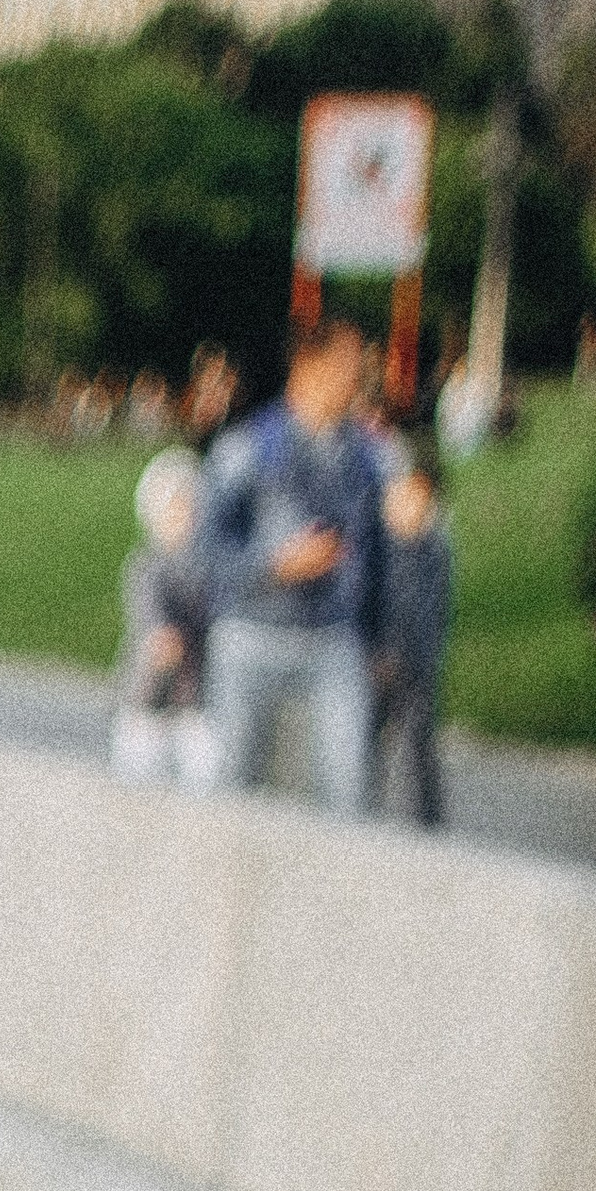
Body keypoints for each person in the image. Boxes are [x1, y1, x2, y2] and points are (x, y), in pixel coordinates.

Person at [197, 317, 385, 817]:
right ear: (308, 366)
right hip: (250, 634)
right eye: (349, 363)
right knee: (235, 788)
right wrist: (274, 566)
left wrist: (381, 639)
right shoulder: (249, 447)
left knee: (349, 792)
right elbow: (204, 550)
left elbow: (380, 555)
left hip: (332, 639)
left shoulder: (366, 457)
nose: (361, 374)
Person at [111, 448, 217, 789]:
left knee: (202, 768)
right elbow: (149, 609)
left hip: (195, 693)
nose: (184, 519)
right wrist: (162, 633)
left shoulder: (208, 565)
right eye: (174, 509)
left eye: (190, 509)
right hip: (149, 692)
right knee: (139, 767)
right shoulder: (147, 565)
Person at [376, 440, 454, 830]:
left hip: (415, 660)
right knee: (365, 738)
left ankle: (428, 823)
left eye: (419, 500)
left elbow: (429, 614)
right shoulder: (382, 545)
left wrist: (412, 656)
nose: (409, 508)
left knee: (417, 744)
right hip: (378, 658)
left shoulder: (433, 547)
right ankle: (358, 814)